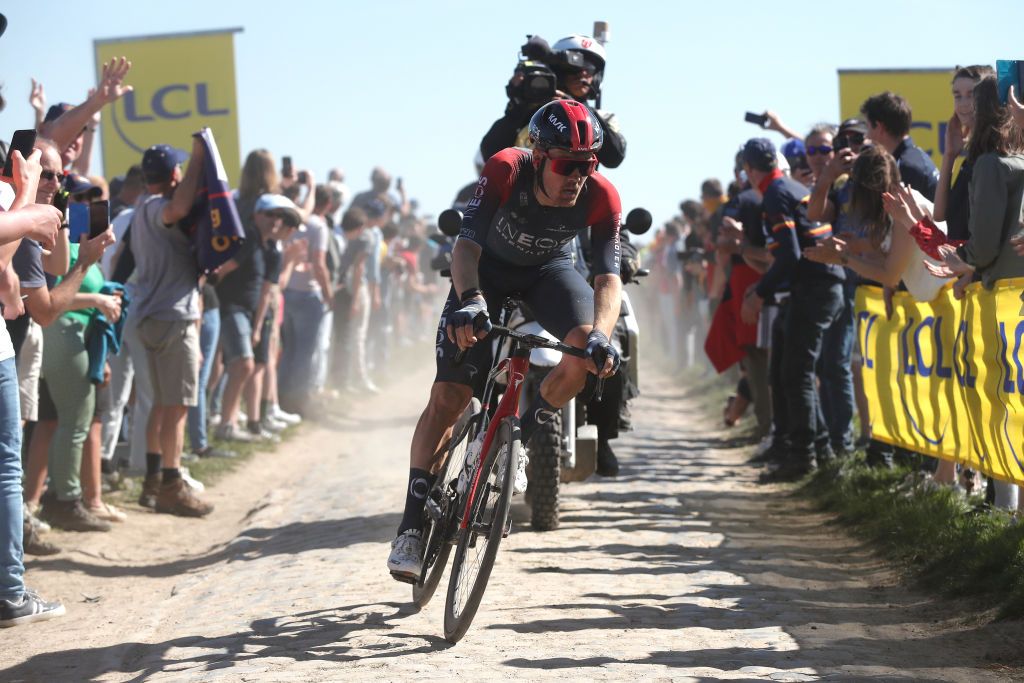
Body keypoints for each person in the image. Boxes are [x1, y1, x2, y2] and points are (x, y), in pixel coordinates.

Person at [387, 99, 622, 581]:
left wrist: (601, 335)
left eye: (588, 165)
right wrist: (470, 299)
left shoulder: (601, 195)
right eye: (567, 165)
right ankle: (411, 528)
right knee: (450, 397)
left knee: (584, 358)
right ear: (538, 156)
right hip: (486, 275)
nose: (578, 176)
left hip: (551, 275)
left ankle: (522, 441)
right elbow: (467, 246)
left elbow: (607, 281)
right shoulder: (505, 169)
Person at [739, 138, 845, 482]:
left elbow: (789, 254)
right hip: (814, 286)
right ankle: (804, 448)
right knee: (783, 371)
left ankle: (802, 458)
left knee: (796, 373)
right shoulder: (790, 185)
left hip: (816, 288)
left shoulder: (774, 193)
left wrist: (759, 293)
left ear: (751, 170)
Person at [0, 146, 67, 626]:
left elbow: (54, 265)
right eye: (47, 174)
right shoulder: (13, 198)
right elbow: (43, 307)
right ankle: (9, 590)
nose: (52, 181)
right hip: (6, 345)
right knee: (8, 467)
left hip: (13, 342)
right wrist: (26, 195)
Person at [131, 139, 213, 517]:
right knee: (177, 407)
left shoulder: (139, 207)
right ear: (173, 175)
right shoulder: (158, 208)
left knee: (162, 406)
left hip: (151, 316)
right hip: (172, 318)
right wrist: (198, 158)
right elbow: (178, 207)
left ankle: (152, 480)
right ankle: (171, 485)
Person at [860, 91, 940, 201]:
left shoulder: (905, 166)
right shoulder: (913, 158)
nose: (867, 136)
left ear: (879, 127)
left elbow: (910, 217)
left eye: (868, 127)